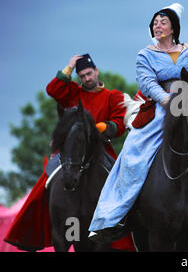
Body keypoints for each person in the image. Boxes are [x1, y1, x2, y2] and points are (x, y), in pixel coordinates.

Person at [88, 3, 188, 246]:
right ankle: (118, 215)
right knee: (133, 150)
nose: (158, 25)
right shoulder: (145, 54)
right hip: (161, 106)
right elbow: (146, 83)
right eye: (155, 22)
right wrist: (166, 100)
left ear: (174, 27)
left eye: (163, 22)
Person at [4, 55, 135, 251]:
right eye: (82, 75)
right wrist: (69, 66)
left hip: (99, 149)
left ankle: (123, 227)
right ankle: (39, 224)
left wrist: (102, 127)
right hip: (70, 149)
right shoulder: (72, 92)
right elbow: (52, 89)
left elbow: (119, 123)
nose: (86, 79)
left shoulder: (112, 96)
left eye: (89, 74)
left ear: (96, 71)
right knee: (47, 181)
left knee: (120, 182)